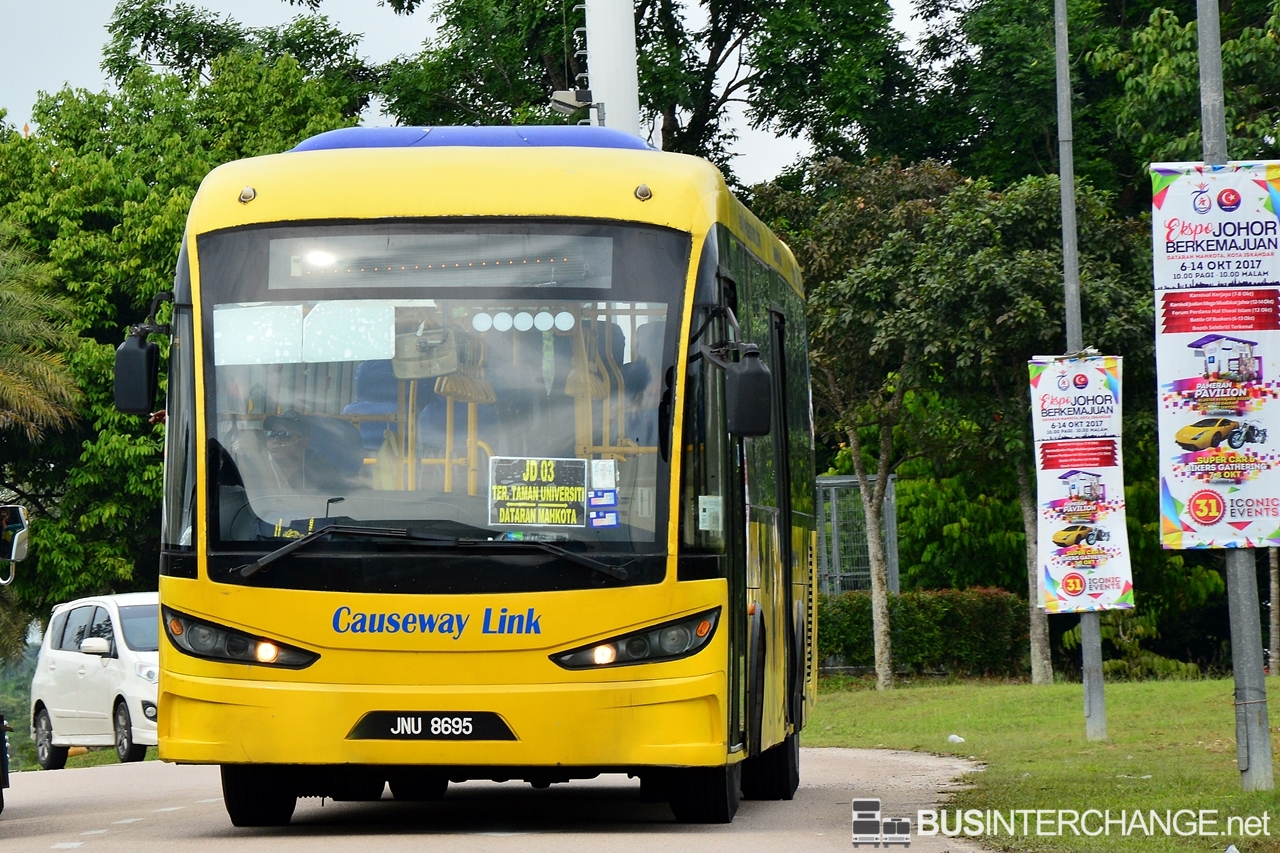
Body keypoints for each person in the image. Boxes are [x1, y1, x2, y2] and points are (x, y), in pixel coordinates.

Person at [262, 410, 346, 491]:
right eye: (271, 434)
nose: (275, 440)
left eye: (284, 434)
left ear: (303, 443)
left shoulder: (325, 477)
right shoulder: (258, 471)